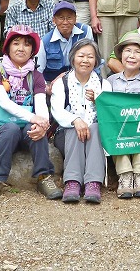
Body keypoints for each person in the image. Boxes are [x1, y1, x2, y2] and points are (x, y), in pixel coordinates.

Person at [0, 25, 63, 202]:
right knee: (10, 128)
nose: (21, 48)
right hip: (0, 130)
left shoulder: (36, 75)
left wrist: (42, 124)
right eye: (16, 43)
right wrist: (34, 118)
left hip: (26, 132)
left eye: (26, 44)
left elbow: (41, 105)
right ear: (8, 47)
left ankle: (43, 177)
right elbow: (4, 103)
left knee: (37, 127)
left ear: (33, 50)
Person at [50, 38, 112, 204]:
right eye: (81, 56)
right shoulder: (61, 83)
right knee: (73, 128)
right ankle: (72, 182)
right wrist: (75, 120)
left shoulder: (103, 84)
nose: (85, 60)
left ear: (96, 61)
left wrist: (97, 101)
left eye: (90, 57)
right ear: (73, 59)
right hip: (66, 134)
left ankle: (93, 182)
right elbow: (56, 110)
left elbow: (109, 114)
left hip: (96, 135)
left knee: (96, 128)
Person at [107, 33, 140, 198]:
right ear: (121, 56)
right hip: (118, 126)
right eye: (128, 51)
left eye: (137, 52)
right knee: (114, 132)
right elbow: (107, 107)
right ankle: (125, 176)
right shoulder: (110, 81)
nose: (131, 55)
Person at [35, 1, 94, 88]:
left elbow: (93, 60)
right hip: (53, 84)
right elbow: (38, 72)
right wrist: (46, 88)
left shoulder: (85, 32)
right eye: (61, 18)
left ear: (75, 19)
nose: (65, 22)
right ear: (54, 20)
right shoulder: (45, 41)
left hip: (81, 80)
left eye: (69, 17)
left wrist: (66, 75)